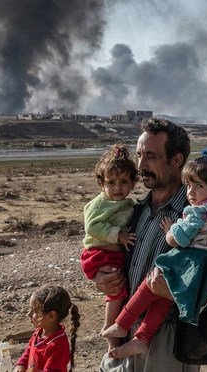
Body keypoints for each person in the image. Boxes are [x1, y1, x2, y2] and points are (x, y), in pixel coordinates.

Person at [102, 151, 207, 359]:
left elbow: (177, 239)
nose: (191, 192)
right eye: (189, 186)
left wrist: (171, 229)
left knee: (150, 284)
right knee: (164, 297)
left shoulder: (199, 212)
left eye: (198, 186)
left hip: (192, 264)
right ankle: (142, 338)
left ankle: (122, 323)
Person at [95, 117, 200, 372]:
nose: (140, 165)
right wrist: (103, 277)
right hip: (125, 329)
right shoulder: (135, 211)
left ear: (176, 160)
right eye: (139, 155)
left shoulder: (195, 217)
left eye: (151, 156)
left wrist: (176, 290)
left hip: (167, 338)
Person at [80, 143, 139, 346]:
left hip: (111, 254)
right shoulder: (100, 204)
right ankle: (109, 328)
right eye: (111, 182)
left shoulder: (127, 203)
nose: (117, 188)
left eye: (123, 182)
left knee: (120, 288)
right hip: (99, 254)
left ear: (132, 183)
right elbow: (92, 227)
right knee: (116, 287)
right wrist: (118, 235)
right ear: (101, 184)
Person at [15, 286, 80, 372]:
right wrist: (21, 364)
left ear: (51, 315)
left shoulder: (57, 346)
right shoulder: (40, 332)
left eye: (34, 311)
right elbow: (29, 350)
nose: (28, 314)